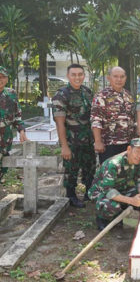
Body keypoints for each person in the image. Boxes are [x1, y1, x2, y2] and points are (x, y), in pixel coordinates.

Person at [52, 63, 96, 208]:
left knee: (90, 167)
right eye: (74, 74)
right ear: (68, 76)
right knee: (71, 170)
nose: (77, 77)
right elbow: (60, 122)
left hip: (88, 140)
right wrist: (64, 146)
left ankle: (89, 193)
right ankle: (71, 196)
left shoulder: (87, 92)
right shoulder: (61, 94)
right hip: (71, 141)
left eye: (80, 74)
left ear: (84, 75)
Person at [88, 138, 140, 231]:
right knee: (111, 206)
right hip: (101, 192)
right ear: (129, 149)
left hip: (122, 188)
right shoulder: (113, 164)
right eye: (137, 152)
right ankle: (102, 218)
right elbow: (108, 191)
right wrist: (131, 201)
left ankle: (121, 210)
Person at [91, 66, 135, 164]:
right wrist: (98, 141)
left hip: (127, 143)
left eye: (122, 76)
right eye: (115, 76)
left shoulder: (129, 96)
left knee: (125, 174)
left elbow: (132, 119)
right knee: (109, 174)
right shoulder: (102, 96)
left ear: (125, 78)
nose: (119, 79)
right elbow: (96, 119)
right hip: (109, 144)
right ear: (109, 78)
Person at [0, 66, 28, 180]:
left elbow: (17, 116)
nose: (0, 79)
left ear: (7, 79)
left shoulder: (11, 94)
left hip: (5, 140)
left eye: (3, 77)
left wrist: (21, 131)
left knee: (2, 169)